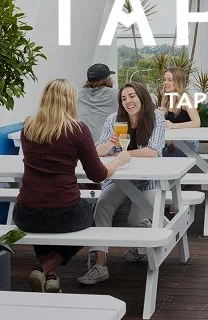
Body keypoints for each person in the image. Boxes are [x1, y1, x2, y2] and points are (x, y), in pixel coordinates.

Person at [15, 79, 130, 293]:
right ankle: (44, 268)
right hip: (64, 212)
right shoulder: (77, 130)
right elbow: (97, 174)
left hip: (25, 213)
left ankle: (50, 279)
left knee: (43, 220)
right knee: (91, 217)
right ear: (70, 101)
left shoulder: (28, 127)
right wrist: (119, 161)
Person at [78, 82, 166, 285]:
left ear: (142, 97)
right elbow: (97, 151)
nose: (128, 101)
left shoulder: (156, 118)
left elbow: (153, 151)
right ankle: (99, 264)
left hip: (147, 180)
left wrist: (123, 154)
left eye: (132, 96)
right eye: (124, 98)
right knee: (102, 206)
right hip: (119, 178)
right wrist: (109, 144)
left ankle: (139, 247)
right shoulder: (113, 119)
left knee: (137, 221)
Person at [160, 66, 202, 157]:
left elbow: (197, 122)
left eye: (169, 80)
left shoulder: (186, 98)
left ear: (178, 81)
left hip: (188, 142)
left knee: (165, 155)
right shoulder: (166, 99)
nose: (165, 82)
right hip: (170, 141)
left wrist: (174, 126)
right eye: (164, 79)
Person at [78, 63, 118, 142]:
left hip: (82, 145)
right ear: (107, 79)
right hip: (107, 145)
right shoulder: (118, 95)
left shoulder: (77, 95)